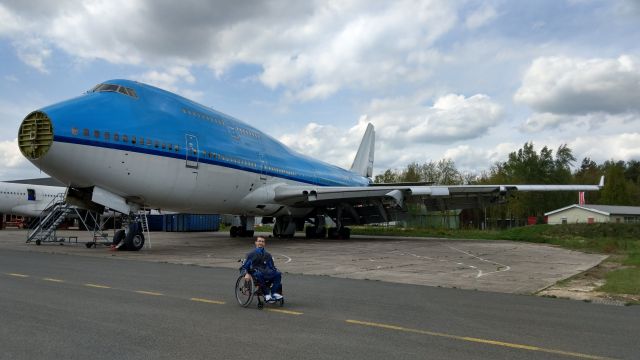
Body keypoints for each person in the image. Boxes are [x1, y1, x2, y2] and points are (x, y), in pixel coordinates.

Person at [242, 236, 283, 301]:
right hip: (255, 272)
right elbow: (246, 266)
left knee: (278, 274)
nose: (261, 243)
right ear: (256, 243)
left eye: (262, 241)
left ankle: (274, 292)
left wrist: (274, 271)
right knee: (259, 274)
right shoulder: (251, 254)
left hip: (266, 272)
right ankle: (267, 294)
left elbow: (271, 266)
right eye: (259, 241)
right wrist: (246, 273)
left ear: (264, 244)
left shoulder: (268, 255)